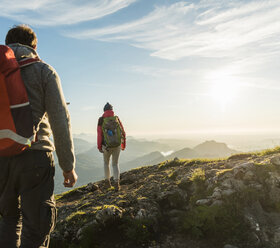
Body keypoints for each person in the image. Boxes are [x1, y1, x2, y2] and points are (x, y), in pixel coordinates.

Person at [0, 25, 77, 248]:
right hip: (36, 158)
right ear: (34, 46)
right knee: (36, 228)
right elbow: (60, 120)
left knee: (8, 221)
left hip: (1, 159)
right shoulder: (44, 71)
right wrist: (68, 165)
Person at [97, 102, 126, 190]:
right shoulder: (116, 118)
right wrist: (123, 144)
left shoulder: (101, 120)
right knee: (115, 164)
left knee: (106, 163)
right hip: (117, 145)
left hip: (106, 146)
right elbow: (123, 132)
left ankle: (108, 183)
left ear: (104, 110)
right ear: (112, 110)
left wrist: (99, 147)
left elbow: (99, 134)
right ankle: (117, 183)